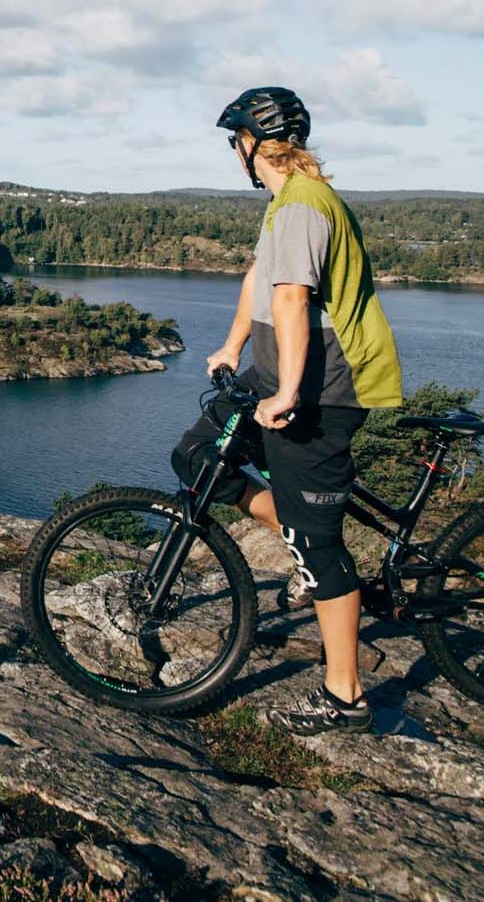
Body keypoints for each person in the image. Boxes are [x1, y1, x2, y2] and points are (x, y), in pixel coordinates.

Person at [170, 86, 404, 735]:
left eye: (234, 142)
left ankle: (344, 695)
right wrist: (230, 345)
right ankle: (307, 551)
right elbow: (258, 280)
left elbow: (294, 302)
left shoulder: (302, 208)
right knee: (195, 455)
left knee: (319, 545)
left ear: (251, 144)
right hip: (280, 372)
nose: (233, 154)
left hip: (323, 389)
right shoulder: (283, 204)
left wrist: (285, 393)